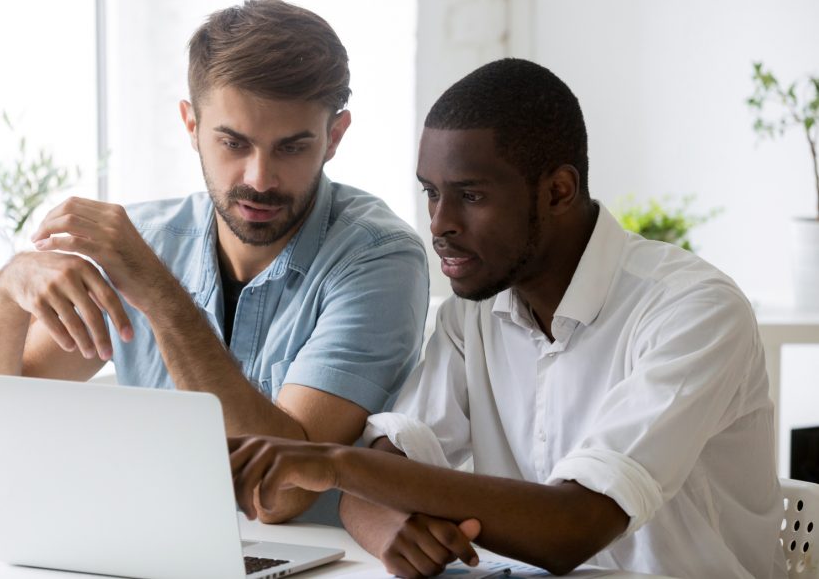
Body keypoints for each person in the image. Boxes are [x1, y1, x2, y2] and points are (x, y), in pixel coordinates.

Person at [228, 58, 784, 578]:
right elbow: (386, 466)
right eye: (431, 194)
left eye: (470, 195)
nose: (440, 224)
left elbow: (575, 526)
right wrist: (390, 522)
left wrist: (335, 464)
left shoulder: (693, 311)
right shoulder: (472, 312)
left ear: (558, 191)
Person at [0, 0, 428, 525]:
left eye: (291, 147)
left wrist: (156, 290)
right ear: (190, 125)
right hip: (165, 544)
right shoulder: (145, 240)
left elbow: (282, 494)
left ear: (334, 136)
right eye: (233, 142)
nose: (260, 178)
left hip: (325, 561)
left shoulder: (378, 259)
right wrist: (11, 290)